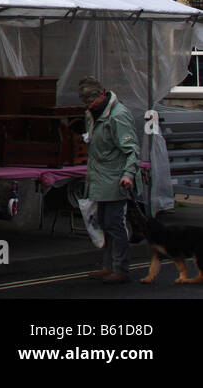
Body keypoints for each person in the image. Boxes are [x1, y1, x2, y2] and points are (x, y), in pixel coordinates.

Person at [79, 77, 139, 284]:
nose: (89, 106)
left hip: (116, 179)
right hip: (99, 177)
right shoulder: (91, 114)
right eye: (86, 103)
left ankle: (121, 269)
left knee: (115, 224)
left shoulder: (119, 116)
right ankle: (108, 266)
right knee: (104, 224)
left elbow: (131, 151)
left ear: (102, 95)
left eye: (91, 102)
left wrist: (128, 175)